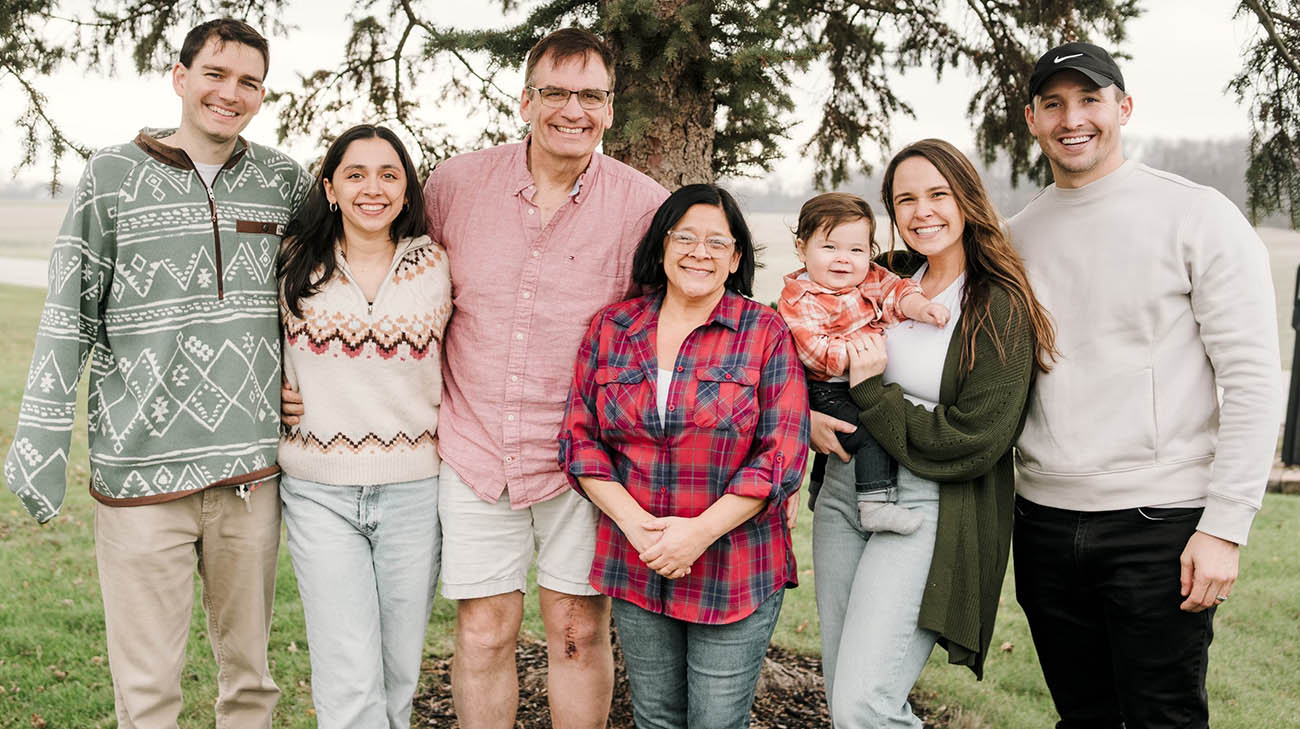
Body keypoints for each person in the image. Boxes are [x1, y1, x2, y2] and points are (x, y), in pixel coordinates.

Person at [283, 27, 669, 729]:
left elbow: (670, 320)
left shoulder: (644, 204)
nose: (572, 110)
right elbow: (386, 274)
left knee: (577, 632)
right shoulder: (459, 183)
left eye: (591, 96)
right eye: (555, 92)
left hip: (584, 459)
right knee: (485, 630)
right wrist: (307, 374)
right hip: (474, 448)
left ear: (611, 108)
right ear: (526, 100)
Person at [2, 19, 310, 729]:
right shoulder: (113, 176)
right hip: (140, 477)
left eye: (248, 82)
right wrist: (42, 446)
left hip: (249, 475)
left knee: (253, 683)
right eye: (215, 74)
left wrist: (314, 388)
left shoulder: (283, 182)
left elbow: (327, 292)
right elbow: (68, 311)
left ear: (262, 94)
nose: (230, 93)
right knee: (147, 695)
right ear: (180, 76)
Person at [1010, 42, 1282, 729]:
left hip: (1160, 525)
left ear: (1123, 108)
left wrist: (1225, 526)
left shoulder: (1199, 216)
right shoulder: (1016, 238)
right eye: (1054, 104)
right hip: (1042, 525)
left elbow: (1251, 378)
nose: (1074, 119)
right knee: (1084, 716)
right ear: (1033, 120)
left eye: (1090, 100)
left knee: (1164, 719)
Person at [810, 138, 1057, 727]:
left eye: (937, 194)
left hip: (925, 502)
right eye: (906, 199)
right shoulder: (882, 278)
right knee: (845, 690)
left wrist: (870, 395)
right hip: (843, 494)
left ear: (966, 198)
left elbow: (974, 437)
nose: (922, 212)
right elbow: (797, 334)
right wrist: (805, 411)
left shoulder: (997, 303)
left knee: (863, 704)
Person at [558, 183, 809, 729]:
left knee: (717, 722)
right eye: (686, 237)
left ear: (736, 256)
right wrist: (639, 526)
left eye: (717, 242)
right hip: (638, 558)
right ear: (662, 245)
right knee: (656, 719)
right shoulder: (613, 328)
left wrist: (696, 534)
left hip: (735, 565)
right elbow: (579, 442)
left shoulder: (763, 332)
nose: (700, 252)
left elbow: (782, 455)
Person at [275, 124, 451, 729]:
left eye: (388, 174)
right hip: (318, 492)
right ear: (329, 188)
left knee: (398, 672)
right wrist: (267, 390)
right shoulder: (293, 262)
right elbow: (249, 346)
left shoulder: (438, 265)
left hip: (414, 492)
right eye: (355, 174)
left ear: (407, 191)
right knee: (349, 675)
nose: (371, 188)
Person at [779, 192, 948, 535]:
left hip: (855, 381)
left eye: (855, 250)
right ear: (802, 249)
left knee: (854, 427)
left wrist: (922, 308)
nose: (844, 260)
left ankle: (817, 488)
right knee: (868, 430)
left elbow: (898, 292)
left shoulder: (871, 277)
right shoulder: (800, 297)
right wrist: (868, 353)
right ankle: (874, 503)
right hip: (824, 388)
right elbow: (816, 353)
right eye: (829, 248)